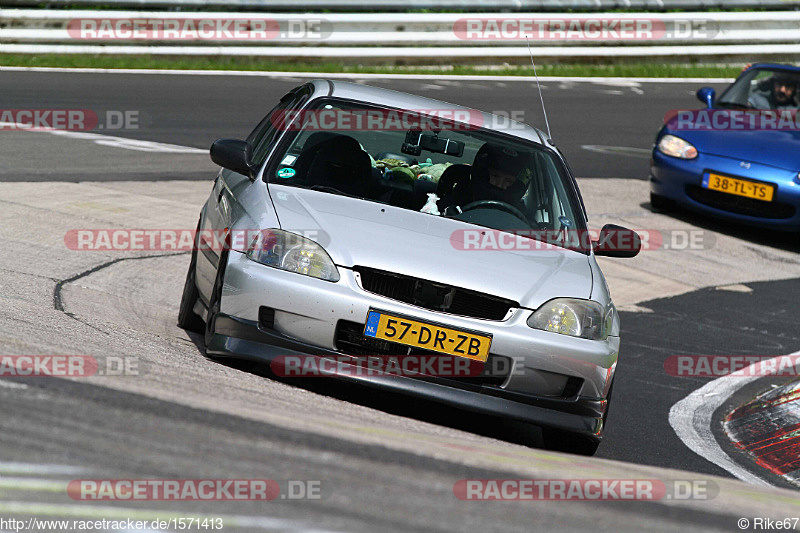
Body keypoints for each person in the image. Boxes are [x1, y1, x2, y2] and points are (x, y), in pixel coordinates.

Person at [440, 143, 531, 215]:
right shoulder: (459, 196)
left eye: (508, 181)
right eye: (495, 176)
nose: (499, 184)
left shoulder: (520, 215)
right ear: (483, 174)